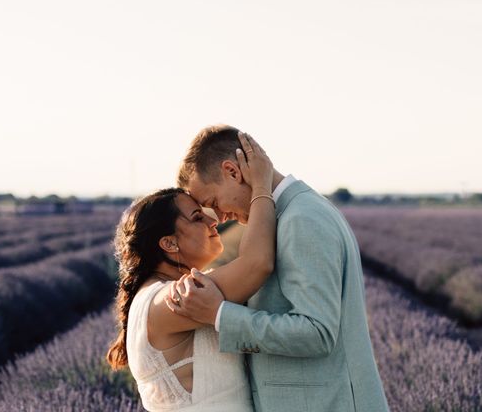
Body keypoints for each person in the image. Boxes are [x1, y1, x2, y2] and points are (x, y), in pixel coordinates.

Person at [171, 124, 389, 412]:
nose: (220, 218)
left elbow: (317, 332)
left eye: (213, 203)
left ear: (232, 172)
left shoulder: (301, 219)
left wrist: (219, 315)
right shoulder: (293, 212)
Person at [106, 132, 276, 411]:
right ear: (169, 243)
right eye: (198, 217)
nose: (214, 221)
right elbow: (257, 263)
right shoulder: (172, 299)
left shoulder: (163, 294)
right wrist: (261, 185)